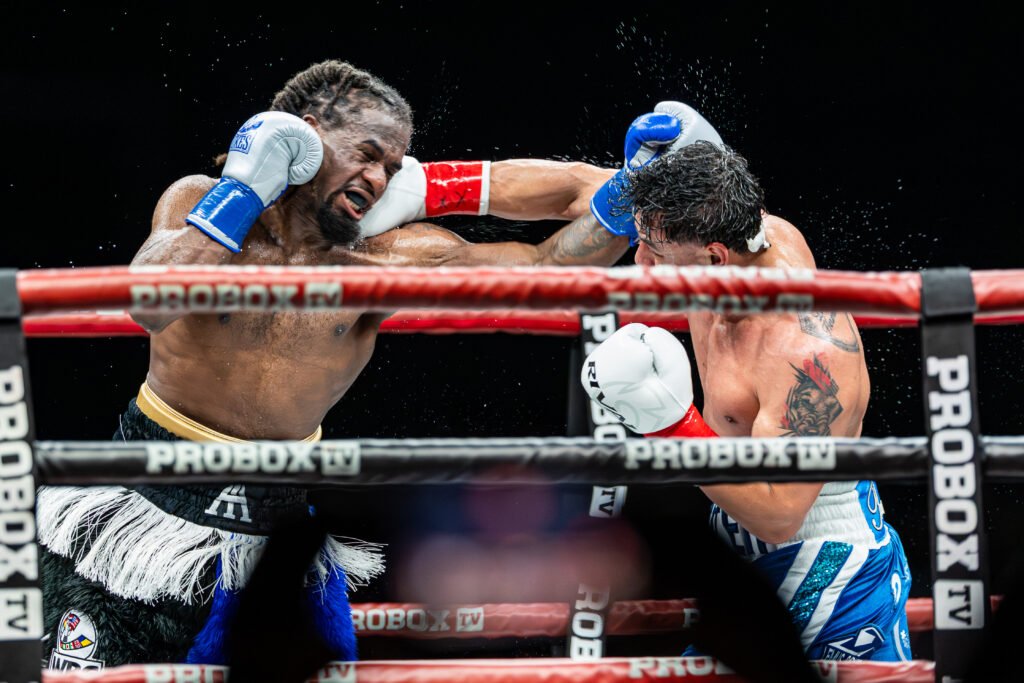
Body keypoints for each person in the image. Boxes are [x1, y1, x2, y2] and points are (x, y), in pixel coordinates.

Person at [37, 60, 717, 670]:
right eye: (367, 154)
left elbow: (544, 265)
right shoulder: (201, 205)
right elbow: (146, 302)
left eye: (393, 165)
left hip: (275, 540)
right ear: (301, 136)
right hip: (142, 512)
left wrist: (632, 189)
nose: (380, 178)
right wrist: (245, 189)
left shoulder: (382, 261)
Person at [581, 140, 913, 662]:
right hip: (736, 543)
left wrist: (672, 428)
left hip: (820, 564)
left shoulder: (806, 353)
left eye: (655, 252)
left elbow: (779, 512)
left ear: (714, 257)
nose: (640, 260)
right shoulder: (736, 234)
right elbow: (719, 189)